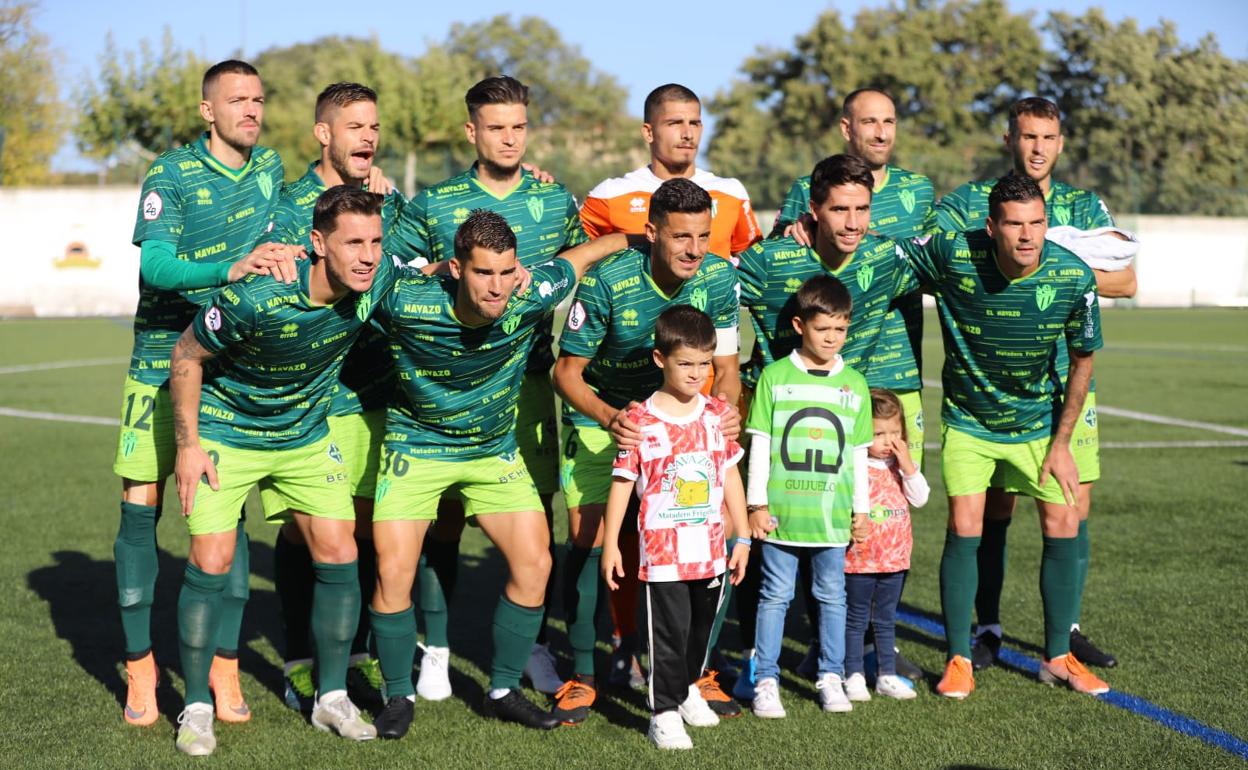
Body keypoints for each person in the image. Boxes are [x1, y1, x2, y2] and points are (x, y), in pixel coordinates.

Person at [366, 210, 623, 736]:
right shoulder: (406, 299)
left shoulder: (528, 292)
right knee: (394, 571)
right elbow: (360, 265)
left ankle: (503, 688)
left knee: (535, 564)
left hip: (491, 452)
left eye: (507, 272)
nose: (499, 286)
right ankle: (397, 695)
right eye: (484, 273)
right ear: (457, 269)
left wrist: (638, 236)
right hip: (416, 446)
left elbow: (579, 257)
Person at [167, 186, 402, 755]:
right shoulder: (257, 297)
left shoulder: (380, 276)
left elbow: (441, 266)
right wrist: (188, 446)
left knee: (340, 552)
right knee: (211, 560)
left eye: (375, 240)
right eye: (353, 243)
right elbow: (185, 355)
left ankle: (332, 698)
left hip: (303, 436)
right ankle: (195, 708)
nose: (367, 255)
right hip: (227, 432)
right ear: (317, 243)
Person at [112, 58, 298, 728]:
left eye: (257, 99)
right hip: (158, 361)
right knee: (142, 506)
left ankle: (223, 664)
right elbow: (155, 265)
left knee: (226, 511)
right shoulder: (171, 174)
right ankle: (140, 666)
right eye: (236, 100)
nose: (250, 110)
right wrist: (232, 267)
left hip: (225, 363)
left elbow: (312, 204)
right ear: (207, 111)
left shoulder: (271, 166)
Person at [392, 76, 589, 699]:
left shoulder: (555, 201)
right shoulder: (433, 204)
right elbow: (390, 271)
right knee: (445, 519)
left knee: (538, 518)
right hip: (449, 387)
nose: (509, 138)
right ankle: (437, 646)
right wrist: (429, 269)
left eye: (519, 126)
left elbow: (580, 261)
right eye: (496, 127)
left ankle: (530, 648)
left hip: (528, 380)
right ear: (471, 131)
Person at [936, 96, 1134, 671]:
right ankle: (987, 626)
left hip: (1063, 388)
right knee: (991, 507)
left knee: (1072, 503)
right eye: (1027, 136)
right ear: (1009, 140)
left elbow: (1125, 281)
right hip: (992, 387)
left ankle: (1067, 631)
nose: (1038, 148)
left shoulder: (1080, 204)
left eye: (1048, 138)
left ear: (1061, 143)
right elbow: (942, 254)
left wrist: (1055, 260)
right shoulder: (973, 200)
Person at [898, 173, 1110, 698]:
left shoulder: (1073, 276)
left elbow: (1083, 361)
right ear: (991, 226)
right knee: (965, 523)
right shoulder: (952, 252)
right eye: (1014, 224)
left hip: (1039, 423)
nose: (1027, 235)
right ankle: (959, 659)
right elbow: (881, 257)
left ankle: (1058, 656)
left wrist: (1061, 443)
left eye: (1036, 223)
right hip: (969, 421)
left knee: (1063, 520)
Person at [552, 178, 742, 724]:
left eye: (704, 236)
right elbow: (567, 373)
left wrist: (724, 408)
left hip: (684, 420)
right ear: (652, 231)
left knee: (702, 537)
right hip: (607, 417)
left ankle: (692, 673)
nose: (694, 249)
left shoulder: (719, 277)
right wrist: (610, 418)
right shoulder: (610, 279)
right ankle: (583, 675)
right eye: (681, 236)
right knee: (590, 538)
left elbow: (725, 369)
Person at [767, 88, 933, 683]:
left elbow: (952, 258)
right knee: (812, 521)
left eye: (890, 120)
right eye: (869, 120)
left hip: (884, 383)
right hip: (800, 399)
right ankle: (812, 648)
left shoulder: (911, 207)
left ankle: (871, 641)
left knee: (882, 516)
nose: (881, 130)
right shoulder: (784, 243)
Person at [264, 81, 417, 713]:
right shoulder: (289, 205)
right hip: (317, 402)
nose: (369, 137)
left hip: (378, 393)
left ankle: (352, 659)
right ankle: (302, 659)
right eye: (355, 126)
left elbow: (412, 272)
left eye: (374, 126)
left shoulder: (390, 201)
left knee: (360, 532)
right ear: (324, 133)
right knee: (311, 537)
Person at [601, 305, 751, 750]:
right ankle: (663, 712)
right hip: (662, 553)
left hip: (709, 548)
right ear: (659, 359)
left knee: (700, 632)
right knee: (668, 634)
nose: (696, 372)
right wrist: (611, 543)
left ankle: (686, 689)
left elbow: (730, 475)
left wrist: (741, 535)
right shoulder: (640, 422)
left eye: (704, 363)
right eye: (685, 363)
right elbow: (622, 484)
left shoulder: (716, 415)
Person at [746, 274, 873, 718]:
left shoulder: (855, 384)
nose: (833, 338)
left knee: (831, 596)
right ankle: (765, 679)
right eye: (824, 329)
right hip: (782, 515)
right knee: (774, 596)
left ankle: (830, 675)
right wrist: (756, 505)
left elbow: (858, 454)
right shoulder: (775, 377)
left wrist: (863, 510)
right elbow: (761, 444)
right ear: (800, 326)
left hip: (832, 518)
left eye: (840, 329)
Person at [580, 83, 761, 260]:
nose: (688, 134)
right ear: (648, 133)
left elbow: (757, 269)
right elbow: (568, 257)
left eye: (694, 123)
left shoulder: (731, 192)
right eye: (674, 123)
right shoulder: (610, 195)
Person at [843, 389, 930, 702]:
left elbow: (920, 498)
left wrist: (908, 465)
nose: (887, 441)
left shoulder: (900, 466)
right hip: (859, 560)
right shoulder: (854, 465)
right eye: (879, 433)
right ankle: (852, 674)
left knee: (885, 619)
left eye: (895, 432)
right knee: (855, 619)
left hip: (895, 560)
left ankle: (886, 675)